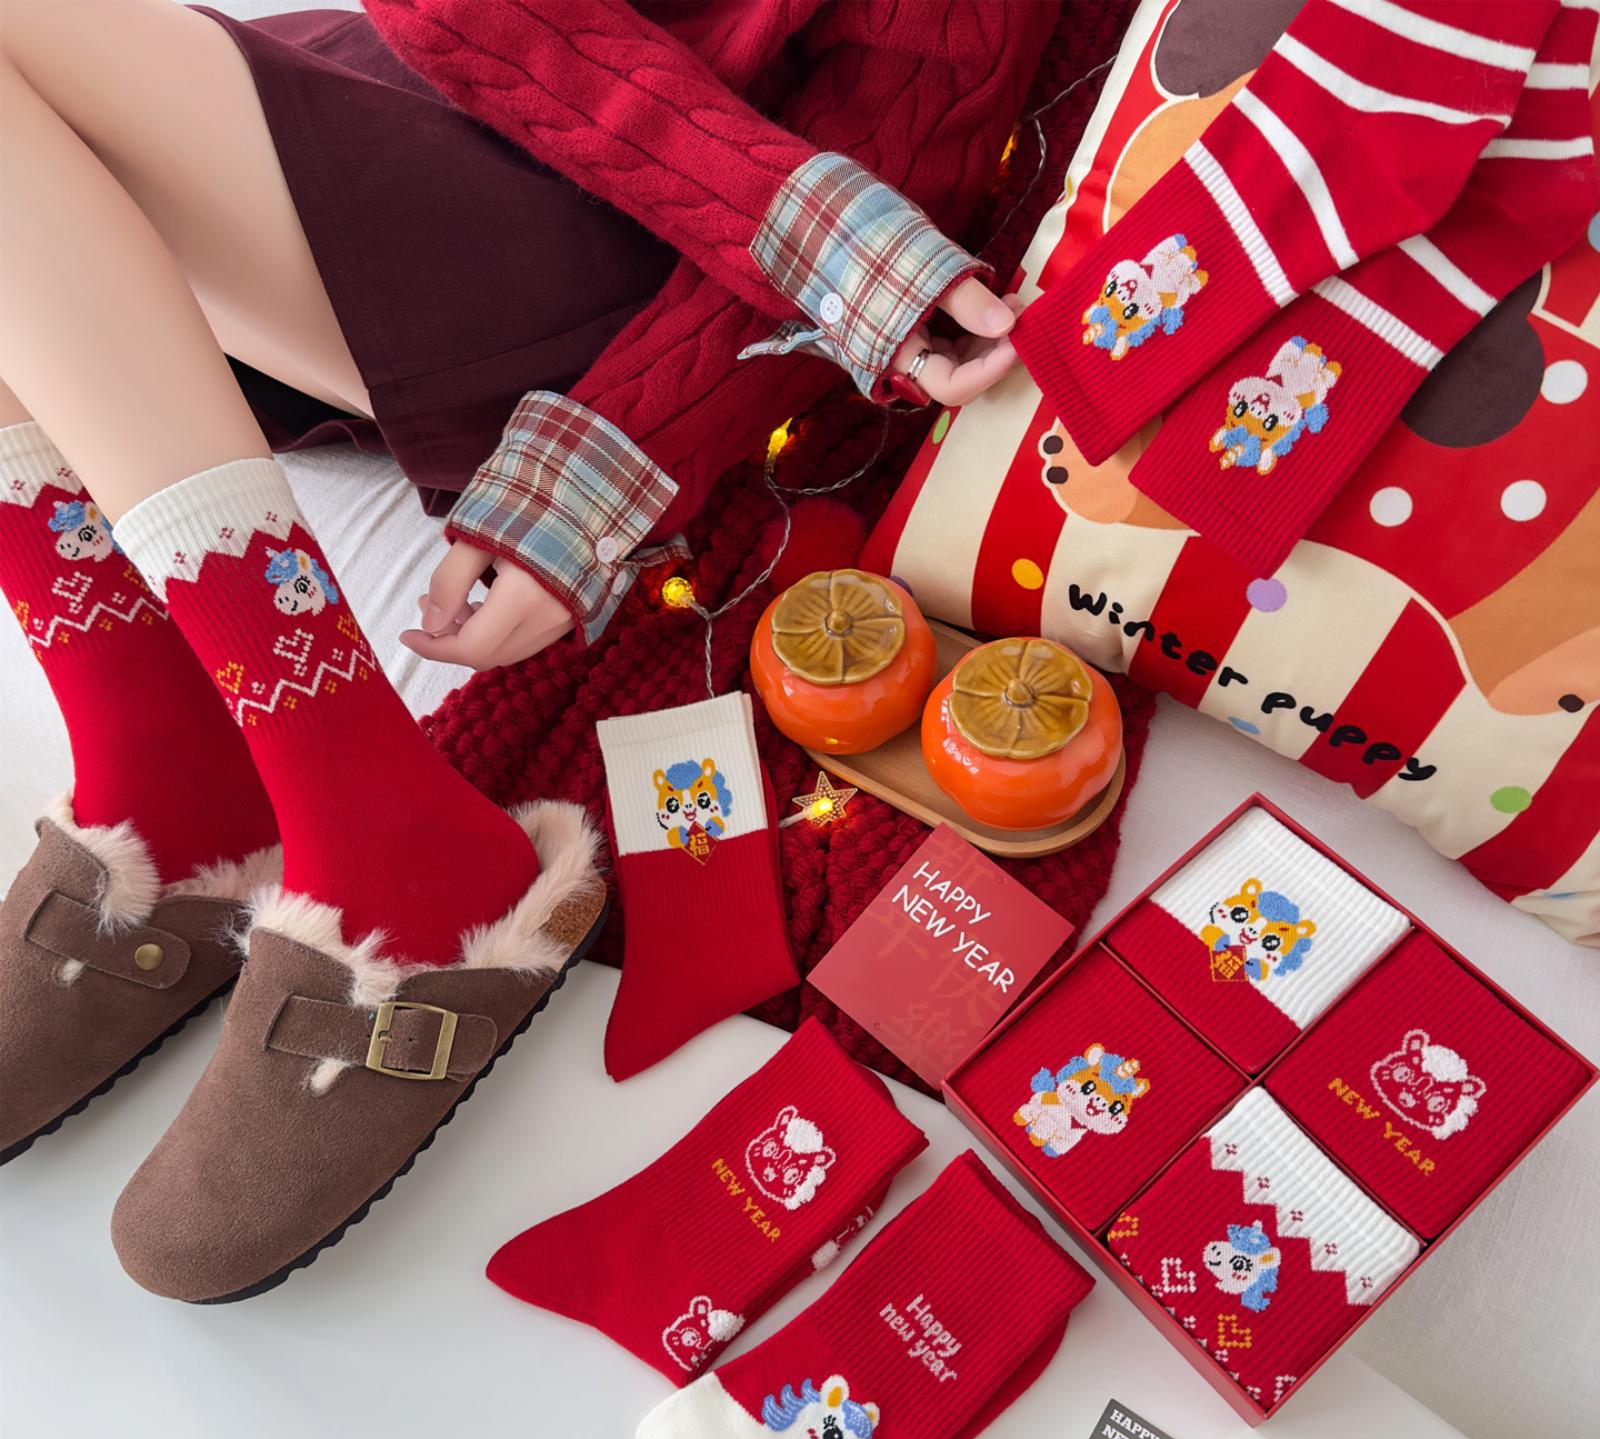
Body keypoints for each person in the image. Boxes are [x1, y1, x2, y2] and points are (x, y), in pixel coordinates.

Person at [0, 0, 1054, 1296]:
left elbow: (900, 156)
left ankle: (363, 817)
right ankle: (172, 766)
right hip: (425, 107)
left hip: (659, 251)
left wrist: (604, 473)